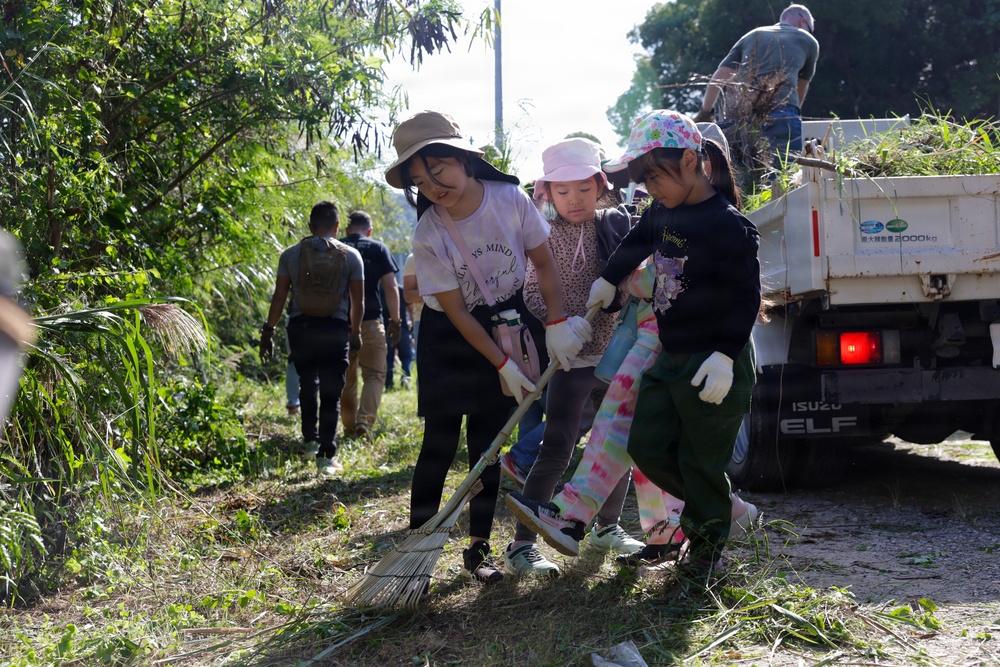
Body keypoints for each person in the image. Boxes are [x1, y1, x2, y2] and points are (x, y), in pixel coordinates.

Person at [515, 111, 760, 577]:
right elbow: (635, 242)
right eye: (643, 179)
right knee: (646, 445)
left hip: (712, 361)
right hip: (669, 353)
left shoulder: (729, 225)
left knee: (700, 459)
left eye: (654, 176)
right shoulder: (663, 211)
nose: (649, 187)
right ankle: (724, 509)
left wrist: (725, 357)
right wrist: (608, 279)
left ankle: (705, 556)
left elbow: (747, 297)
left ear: (690, 160)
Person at [384, 110, 588, 585]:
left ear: (464, 158)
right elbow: (455, 311)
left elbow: (543, 262)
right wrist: (501, 363)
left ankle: (478, 550)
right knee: (438, 442)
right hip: (450, 339)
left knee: (488, 445)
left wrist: (555, 322)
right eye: (419, 180)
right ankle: (419, 545)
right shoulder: (429, 230)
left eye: (437, 169)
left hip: (507, 324)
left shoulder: (509, 199)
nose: (432, 185)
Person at [503, 138, 634, 578]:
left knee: (616, 446)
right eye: (562, 191)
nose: (573, 200)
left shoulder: (617, 224)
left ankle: (606, 527)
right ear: (546, 193)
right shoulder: (541, 234)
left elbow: (636, 278)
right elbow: (532, 291)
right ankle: (522, 546)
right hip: (570, 358)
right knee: (557, 446)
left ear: (600, 185)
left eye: (583, 188)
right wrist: (558, 324)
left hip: (617, 353)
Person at [260, 201, 364, 476]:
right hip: (335, 328)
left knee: (308, 385)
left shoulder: (291, 254)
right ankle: (326, 456)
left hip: (301, 327)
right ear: (337, 226)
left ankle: (309, 442)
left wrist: (268, 330)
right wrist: (355, 333)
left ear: (310, 226)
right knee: (331, 393)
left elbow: (280, 296)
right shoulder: (351, 256)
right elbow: (358, 302)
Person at [695, 4, 818, 165]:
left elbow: (718, 79)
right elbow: (801, 88)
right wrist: (794, 111)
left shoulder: (751, 35)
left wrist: (705, 113)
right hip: (783, 114)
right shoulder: (808, 40)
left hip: (742, 118)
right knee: (782, 175)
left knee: (744, 177)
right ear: (803, 21)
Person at [339, 210, 400, 439]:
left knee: (346, 377)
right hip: (372, 322)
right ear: (370, 230)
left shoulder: (336, 247)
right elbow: (391, 287)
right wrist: (395, 320)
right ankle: (364, 423)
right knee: (374, 375)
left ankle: (348, 426)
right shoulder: (378, 247)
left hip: (340, 324)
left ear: (346, 229)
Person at [384, 282, 413, 390]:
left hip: (386, 329)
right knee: (406, 357)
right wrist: (413, 325)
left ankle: (388, 384)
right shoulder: (401, 290)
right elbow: (411, 309)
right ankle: (405, 380)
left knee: (388, 358)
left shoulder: (380, 290)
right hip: (403, 328)